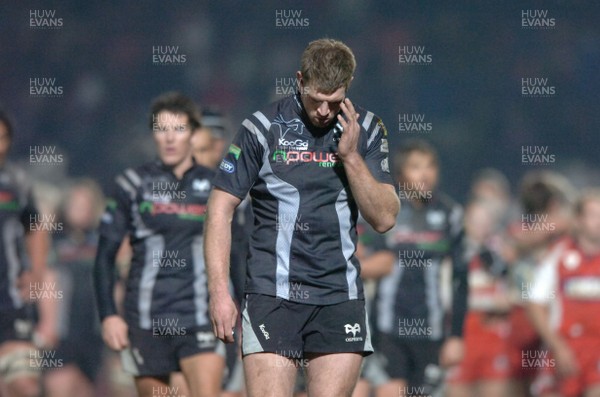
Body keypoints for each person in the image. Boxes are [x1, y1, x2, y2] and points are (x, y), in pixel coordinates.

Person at [205, 38, 399, 397]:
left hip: (338, 295)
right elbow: (219, 207)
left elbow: (385, 218)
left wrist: (352, 158)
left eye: (334, 101)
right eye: (316, 100)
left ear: (348, 88)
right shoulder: (261, 128)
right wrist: (219, 292)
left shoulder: (368, 129)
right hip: (272, 294)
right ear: (299, 80)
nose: (325, 111)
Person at [93, 92, 224, 397]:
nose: (169, 138)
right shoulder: (132, 184)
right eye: (161, 129)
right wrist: (109, 315)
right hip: (145, 319)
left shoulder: (217, 185)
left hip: (199, 317)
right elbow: (104, 256)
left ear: (193, 133)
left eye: (178, 129)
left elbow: (240, 248)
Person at [368, 139, 466, 397]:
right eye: (416, 167)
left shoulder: (450, 214)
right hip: (388, 329)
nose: (425, 174)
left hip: (432, 331)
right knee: (390, 391)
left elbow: (460, 278)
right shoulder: (385, 213)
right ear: (400, 175)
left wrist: (456, 335)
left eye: (430, 166)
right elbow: (365, 261)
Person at [527, 189, 600, 397]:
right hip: (564, 346)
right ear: (578, 220)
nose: (599, 222)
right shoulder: (558, 255)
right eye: (593, 215)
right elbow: (534, 303)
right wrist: (557, 346)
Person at [0, 110, 51, 397]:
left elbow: (37, 228)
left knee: (25, 384)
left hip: (11, 301)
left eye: (3, 137)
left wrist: (37, 273)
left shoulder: (17, 182)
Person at [43, 179, 105, 397]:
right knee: (60, 386)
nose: (80, 210)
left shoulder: (102, 243)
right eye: (75, 204)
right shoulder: (54, 241)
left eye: (85, 205)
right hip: (61, 332)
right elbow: (46, 281)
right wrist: (47, 324)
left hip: (92, 333)